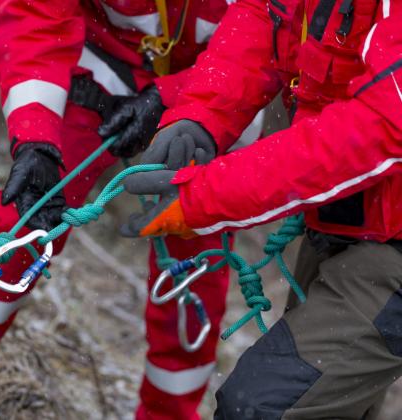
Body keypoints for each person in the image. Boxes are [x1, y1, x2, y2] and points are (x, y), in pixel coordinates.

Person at [0, 1, 268, 419]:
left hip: (222, 90)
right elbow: (35, 13)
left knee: (194, 270)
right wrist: (35, 139)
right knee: (22, 229)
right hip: (101, 65)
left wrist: (174, 97)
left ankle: (168, 413)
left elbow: (267, 40)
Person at [120, 0, 402, 418]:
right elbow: (266, 19)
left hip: (388, 248)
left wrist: (205, 197)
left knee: (259, 407)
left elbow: (377, 129)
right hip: (355, 223)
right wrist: (202, 114)